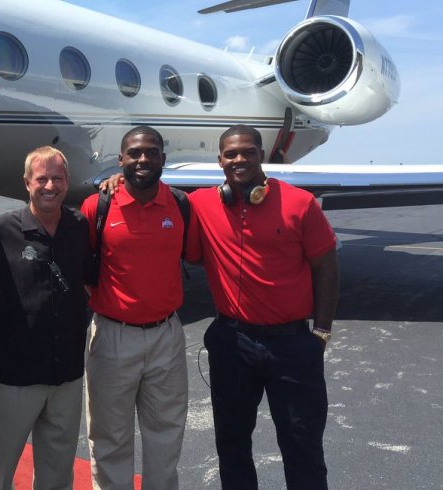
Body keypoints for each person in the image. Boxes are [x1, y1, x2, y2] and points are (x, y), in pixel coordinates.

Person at [185, 125, 338, 490]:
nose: (239, 160)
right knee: (232, 444)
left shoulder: (299, 203)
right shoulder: (201, 203)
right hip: (232, 343)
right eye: (231, 154)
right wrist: (115, 183)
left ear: (261, 155)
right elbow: (153, 194)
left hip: (292, 345)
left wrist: (321, 331)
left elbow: (327, 269)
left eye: (248, 152)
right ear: (219, 160)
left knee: (302, 447)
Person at [80, 126, 189, 490]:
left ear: (163, 159)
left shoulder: (182, 204)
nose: (143, 159)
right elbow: (84, 267)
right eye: (135, 153)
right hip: (113, 335)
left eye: (152, 152)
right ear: (121, 160)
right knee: (109, 438)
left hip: (166, 336)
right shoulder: (98, 205)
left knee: (166, 434)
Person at [0, 146, 90, 490]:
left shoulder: (79, 226)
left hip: (66, 376)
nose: (50, 186)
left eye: (57, 178)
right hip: (13, 378)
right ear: (27, 183)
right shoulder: (1, 230)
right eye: (41, 178)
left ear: (67, 182)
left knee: (57, 475)